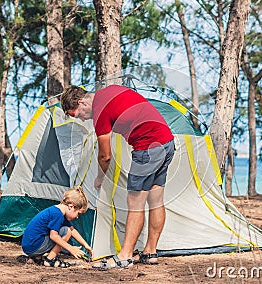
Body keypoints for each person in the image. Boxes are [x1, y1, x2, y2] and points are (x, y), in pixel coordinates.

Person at [61, 84, 175, 269]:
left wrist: (99, 178)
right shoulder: (110, 91)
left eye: (77, 115)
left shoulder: (100, 112)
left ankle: (124, 256)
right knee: (156, 200)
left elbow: (105, 156)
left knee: (135, 203)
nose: (81, 120)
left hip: (147, 147)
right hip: (167, 142)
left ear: (81, 102)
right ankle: (150, 253)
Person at [21, 187, 94, 268]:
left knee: (68, 230)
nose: (77, 217)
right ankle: (50, 260)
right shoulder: (57, 214)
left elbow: (73, 230)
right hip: (34, 246)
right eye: (78, 213)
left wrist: (86, 245)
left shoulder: (57, 211)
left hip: (29, 246)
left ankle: (36, 258)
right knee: (66, 231)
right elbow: (54, 236)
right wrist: (71, 249)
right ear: (71, 206)